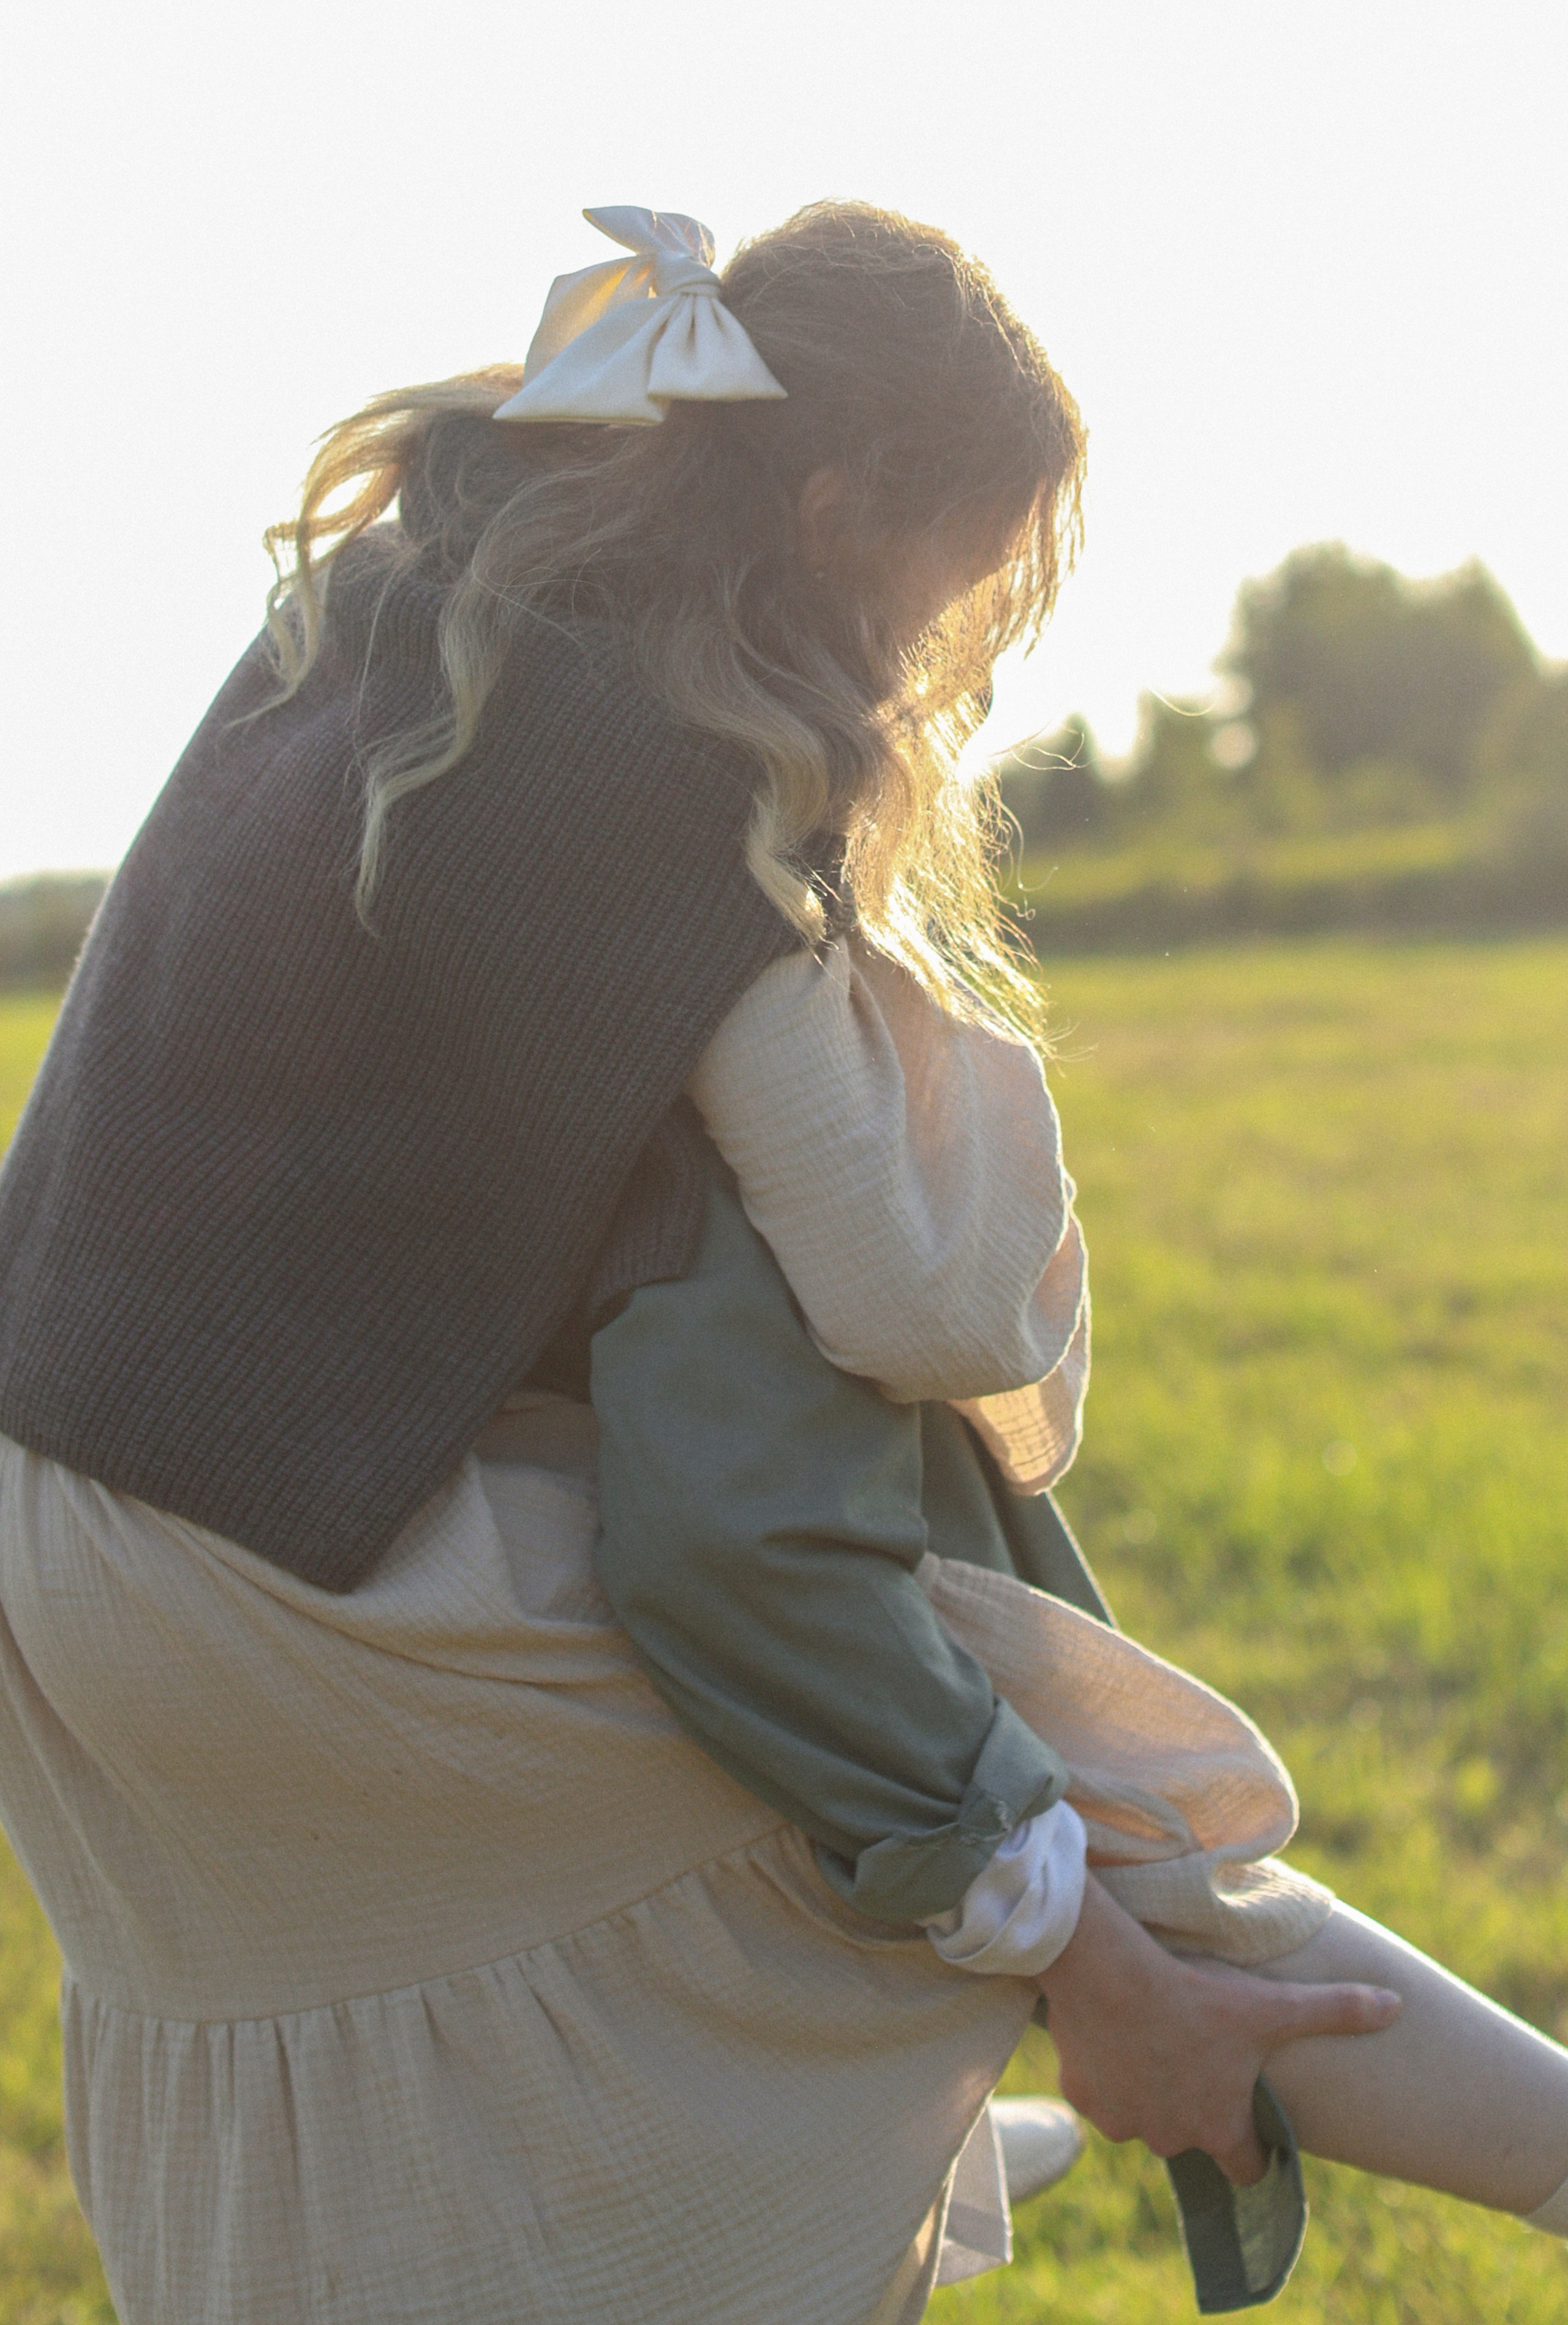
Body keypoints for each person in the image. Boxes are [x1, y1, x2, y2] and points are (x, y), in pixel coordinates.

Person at [0, 200, 1564, 2325]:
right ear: (842, 506)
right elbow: (920, 1295)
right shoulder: (638, 759)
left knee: (894, 1803)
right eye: (982, 569)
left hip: (77, 1564)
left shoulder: (405, 613)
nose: (968, 641)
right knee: (1052, 1775)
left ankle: (883, 2106)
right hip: (292, 1601)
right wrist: (934, 1033)